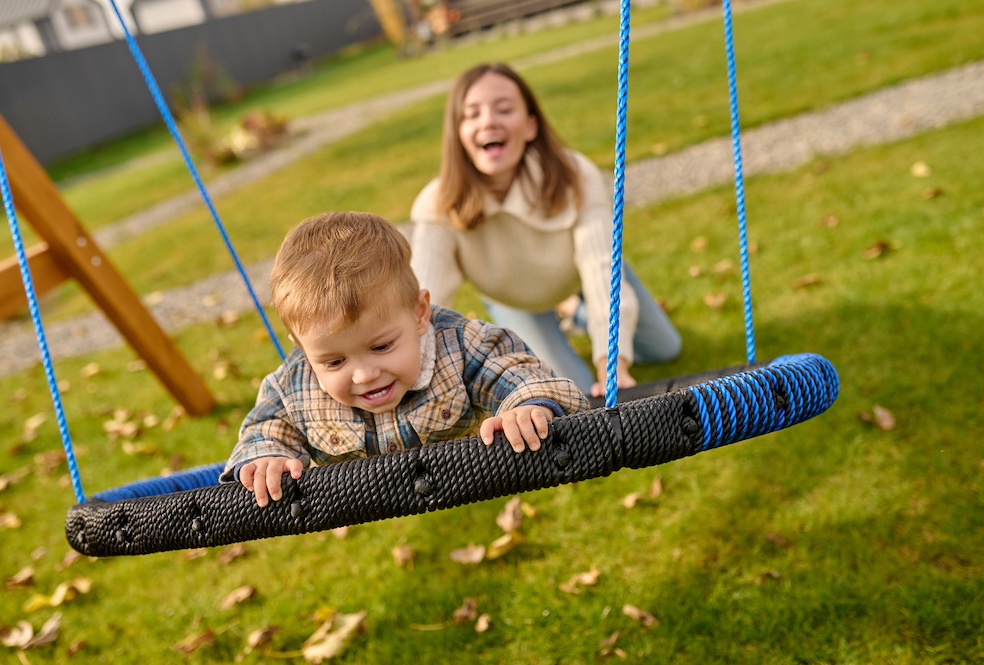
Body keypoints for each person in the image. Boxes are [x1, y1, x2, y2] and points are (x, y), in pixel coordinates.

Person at [220, 211, 589, 508]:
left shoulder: (457, 346)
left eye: (381, 347)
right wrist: (266, 458)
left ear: (419, 313)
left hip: (461, 475)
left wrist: (526, 406)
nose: (364, 375)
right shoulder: (294, 385)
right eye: (334, 362)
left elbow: (515, 371)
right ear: (302, 346)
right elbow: (266, 430)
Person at [409, 62, 682, 398]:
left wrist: (613, 366)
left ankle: (575, 311)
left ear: (530, 126)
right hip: (514, 300)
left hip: (579, 275)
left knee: (665, 348)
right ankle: (567, 315)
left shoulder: (575, 175)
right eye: (471, 114)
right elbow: (422, 304)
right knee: (575, 393)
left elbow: (601, 273)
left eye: (504, 109)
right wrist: (411, 383)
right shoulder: (437, 203)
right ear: (458, 133)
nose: (488, 121)